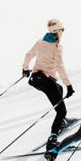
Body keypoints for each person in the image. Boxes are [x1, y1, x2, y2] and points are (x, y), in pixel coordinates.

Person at [22, 19, 76, 148]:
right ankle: (52, 141)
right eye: (62, 30)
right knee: (61, 111)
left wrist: (25, 68)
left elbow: (28, 55)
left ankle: (61, 123)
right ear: (57, 31)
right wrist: (69, 85)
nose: (63, 32)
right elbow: (59, 66)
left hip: (35, 79)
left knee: (58, 89)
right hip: (46, 81)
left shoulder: (40, 42)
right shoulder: (57, 47)